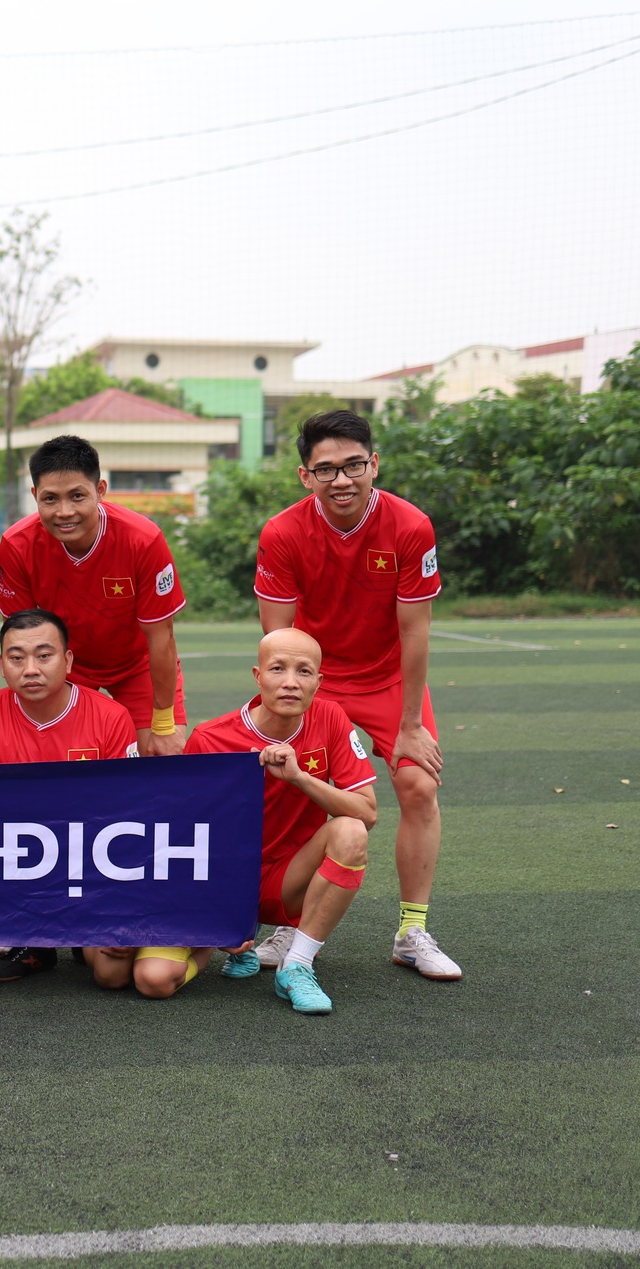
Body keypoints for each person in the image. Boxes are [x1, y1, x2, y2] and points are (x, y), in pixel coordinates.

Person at [254, 409, 460, 982]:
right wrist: (291, 702)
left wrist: (411, 724)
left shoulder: (410, 525)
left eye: (353, 465)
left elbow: (415, 631)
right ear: (306, 476)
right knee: (299, 788)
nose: (341, 479)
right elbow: (278, 640)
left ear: (374, 464)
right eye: (326, 469)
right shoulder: (282, 533)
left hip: (388, 678)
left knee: (419, 784)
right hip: (317, 679)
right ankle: (293, 925)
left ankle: (412, 932)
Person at [186, 628, 378, 1015]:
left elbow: (367, 812)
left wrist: (300, 778)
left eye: (303, 671)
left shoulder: (331, 718)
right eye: (278, 669)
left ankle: (297, 965)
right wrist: (218, 914)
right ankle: (241, 934)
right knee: (157, 977)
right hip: (229, 883)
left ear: (318, 682)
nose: (291, 682)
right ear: (258, 677)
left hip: (291, 878)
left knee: (351, 831)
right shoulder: (209, 738)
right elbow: (185, 833)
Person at [0, 608, 141, 985]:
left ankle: (73, 931)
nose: (31, 669)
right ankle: (33, 941)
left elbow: (124, 809)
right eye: (17, 658)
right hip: (19, 851)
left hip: (91, 860)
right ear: (2, 665)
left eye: (44, 656)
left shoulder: (111, 716)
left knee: (111, 974)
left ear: (68, 660)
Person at [0, 435, 189, 758]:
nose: (64, 511)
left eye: (77, 496)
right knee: (59, 763)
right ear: (34, 495)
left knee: (160, 760)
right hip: (66, 666)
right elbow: (23, 642)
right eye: (50, 499)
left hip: (137, 666)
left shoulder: (143, 540)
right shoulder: (17, 545)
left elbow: (161, 637)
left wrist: (164, 724)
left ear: (100, 490)